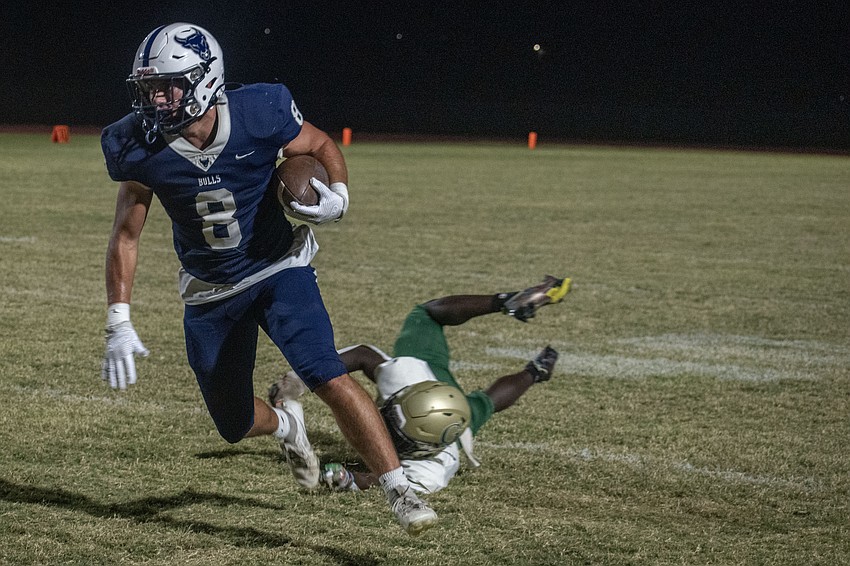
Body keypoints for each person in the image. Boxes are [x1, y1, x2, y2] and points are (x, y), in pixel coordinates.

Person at [99, 22, 436, 536]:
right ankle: (286, 423)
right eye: (148, 87)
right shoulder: (135, 145)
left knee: (325, 371)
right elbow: (126, 234)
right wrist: (118, 318)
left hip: (279, 266)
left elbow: (319, 143)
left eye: (168, 85)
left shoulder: (261, 110)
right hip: (210, 289)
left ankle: (399, 490)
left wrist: (338, 195)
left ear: (206, 80)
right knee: (233, 424)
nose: (156, 98)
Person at [269, 275, 571, 493]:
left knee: (483, 404)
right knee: (431, 322)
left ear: (425, 449)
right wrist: (302, 379)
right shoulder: (405, 380)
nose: (381, 423)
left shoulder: (434, 468)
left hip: (446, 406)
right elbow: (363, 355)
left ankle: (526, 349)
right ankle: (535, 364)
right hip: (423, 380)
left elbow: (379, 480)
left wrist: (349, 479)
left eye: (394, 428)